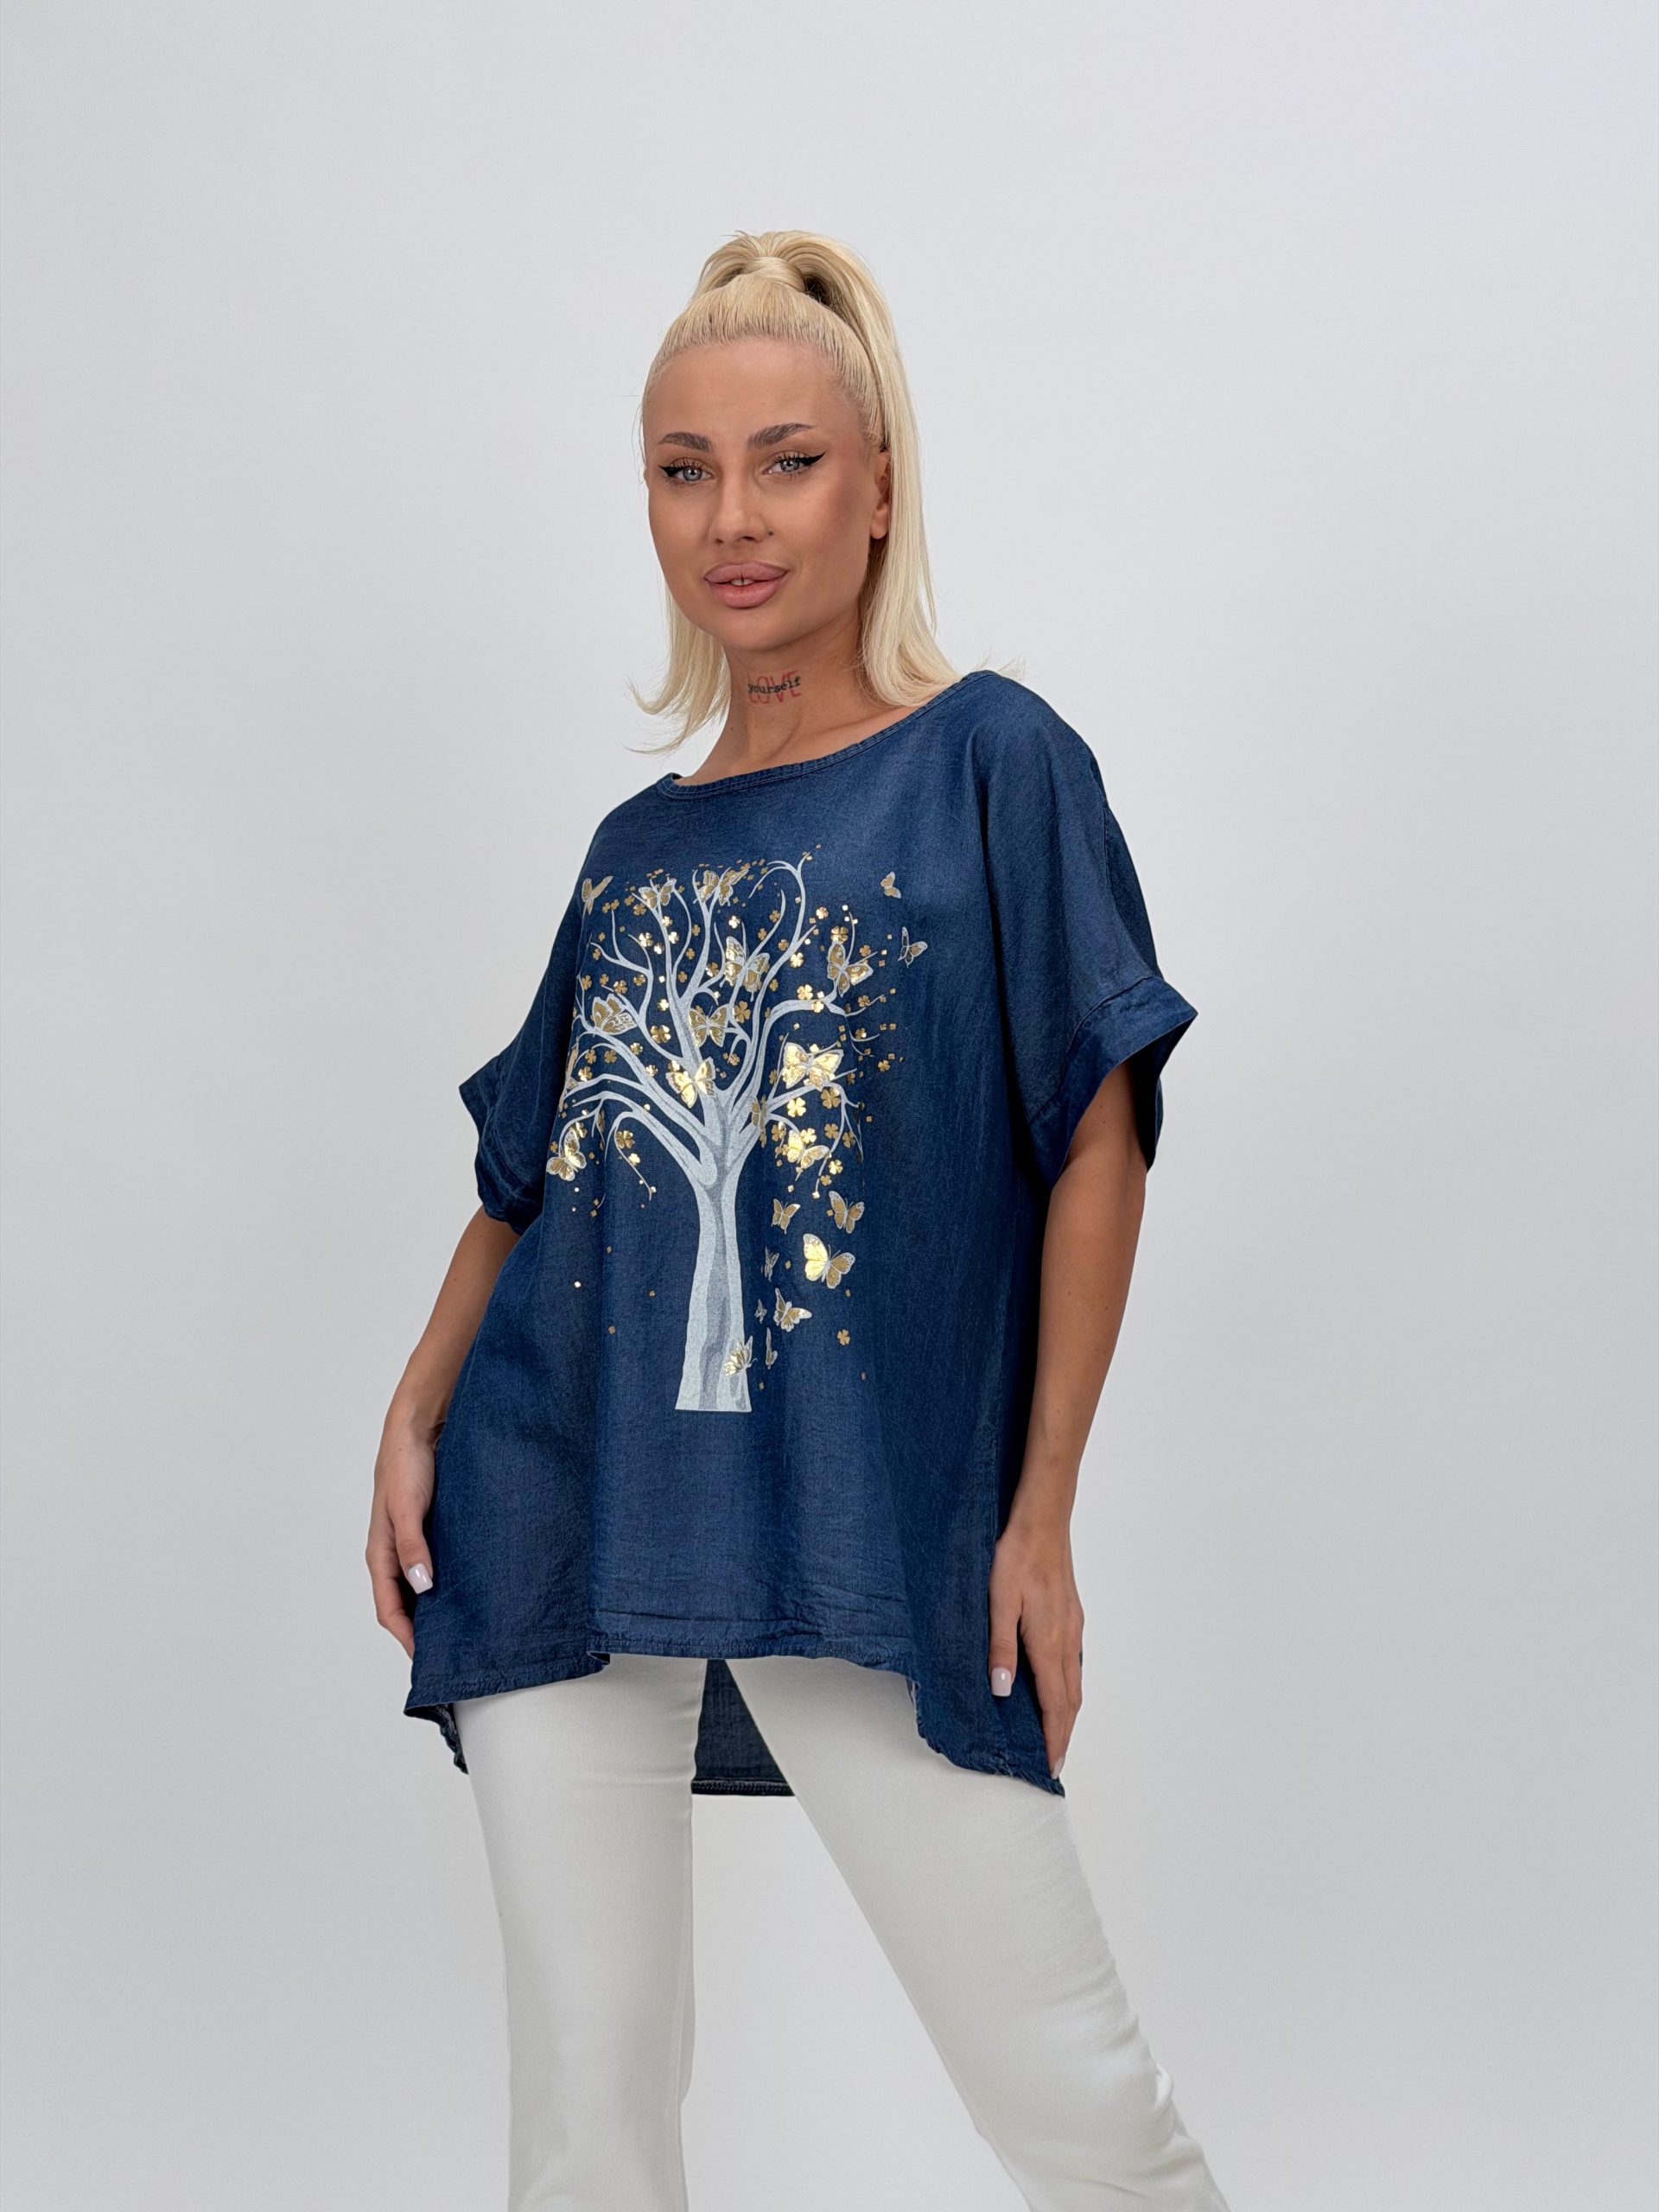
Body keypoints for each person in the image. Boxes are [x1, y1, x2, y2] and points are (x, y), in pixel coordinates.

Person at [367, 227, 1231, 2212]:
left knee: (1081, 2102)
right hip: (553, 1501)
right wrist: (416, 1408)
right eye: (684, 468)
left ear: (880, 487)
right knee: (586, 2124)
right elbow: (530, 1173)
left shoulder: (992, 760)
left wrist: (1039, 1514)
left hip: (860, 1509)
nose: (732, 518)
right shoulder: (638, 845)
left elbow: (1097, 1134)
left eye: (786, 461)